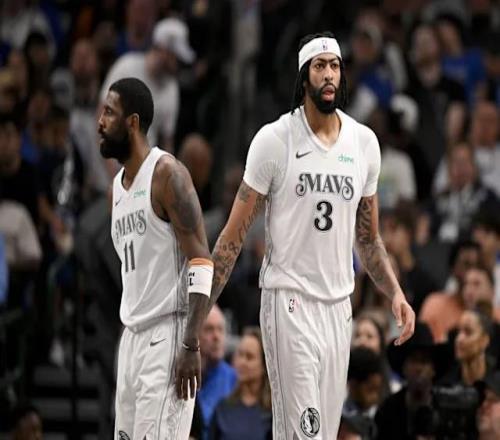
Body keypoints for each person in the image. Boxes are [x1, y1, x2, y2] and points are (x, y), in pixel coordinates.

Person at [207, 31, 415, 439]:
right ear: (304, 77)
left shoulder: (363, 143)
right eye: (320, 66)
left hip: (338, 306)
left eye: (335, 66)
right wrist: (200, 310)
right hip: (289, 299)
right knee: (306, 432)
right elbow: (232, 236)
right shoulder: (275, 140)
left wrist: (395, 293)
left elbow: (368, 238)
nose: (329, 74)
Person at [98, 77, 212, 439]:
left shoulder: (167, 174)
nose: (100, 122)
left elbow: (201, 261)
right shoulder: (116, 188)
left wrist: (191, 342)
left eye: (109, 113)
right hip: (132, 337)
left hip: (168, 335)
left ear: (132, 122)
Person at [209, 327, 272, 440]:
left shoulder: (272, 413)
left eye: (249, 357)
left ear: (264, 365)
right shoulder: (223, 408)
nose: (242, 362)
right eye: (240, 355)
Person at [197, 305, 237, 439]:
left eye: (220, 330)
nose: (216, 336)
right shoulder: (182, 375)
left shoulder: (234, 379)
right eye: (209, 329)